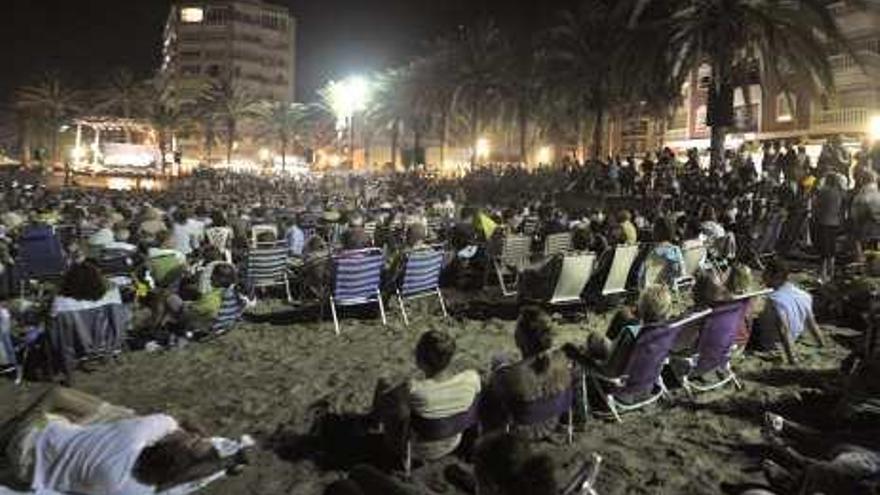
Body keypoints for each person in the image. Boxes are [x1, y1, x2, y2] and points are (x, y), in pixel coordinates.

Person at [0, 387, 248, 494]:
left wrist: (199, 435)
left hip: (32, 436)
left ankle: (6, 431)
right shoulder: (136, 490)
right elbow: (188, 478)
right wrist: (222, 465)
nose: (195, 436)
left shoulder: (138, 433)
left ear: (172, 444)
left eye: (193, 440)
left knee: (110, 411)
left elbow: (182, 419)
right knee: (113, 416)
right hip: (25, 473)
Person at [370, 330, 480, 462]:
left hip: (416, 450)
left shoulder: (413, 389)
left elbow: (391, 406)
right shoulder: (471, 378)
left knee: (385, 384)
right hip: (453, 441)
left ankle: (373, 423)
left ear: (419, 360)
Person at [483, 307, 572, 440]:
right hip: (551, 423)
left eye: (517, 329)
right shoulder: (563, 360)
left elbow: (492, 408)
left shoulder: (508, 376)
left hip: (523, 433)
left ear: (521, 338)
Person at [751, 259, 826, 363]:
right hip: (794, 336)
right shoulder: (804, 294)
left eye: (765, 273)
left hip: (772, 343)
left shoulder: (774, 300)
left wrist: (792, 358)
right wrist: (821, 343)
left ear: (775, 276)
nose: (762, 276)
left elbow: (783, 330)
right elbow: (812, 323)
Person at [814, 173, 846, 281]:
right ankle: (831, 272)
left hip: (823, 222)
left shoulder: (823, 191)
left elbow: (817, 206)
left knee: (823, 250)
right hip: (835, 223)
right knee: (832, 249)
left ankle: (822, 273)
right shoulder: (840, 193)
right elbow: (842, 210)